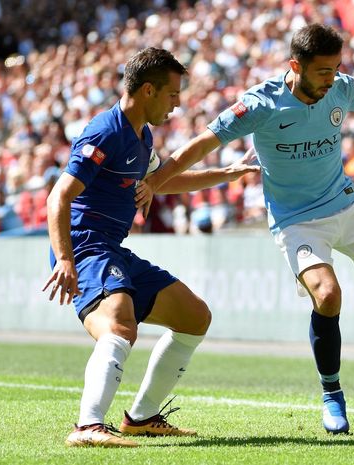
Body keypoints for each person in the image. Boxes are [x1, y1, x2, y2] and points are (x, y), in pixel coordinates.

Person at [138, 24, 354, 435]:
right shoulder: (261, 104)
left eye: (336, 68)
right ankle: (332, 394)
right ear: (296, 65)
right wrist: (155, 182)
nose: (332, 78)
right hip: (297, 222)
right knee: (327, 295)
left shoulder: (341, 89)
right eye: (323, 71)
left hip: (345, 204)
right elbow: (200, 144)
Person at [42, 47, 258, 448]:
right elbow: (58, 198)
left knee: (194, 316)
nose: (177, 104)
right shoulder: (105, 132)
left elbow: (164, 181)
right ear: (147, 91)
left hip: (112, 249)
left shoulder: (141, 136)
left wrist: (228, 174)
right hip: (87, 247)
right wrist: (66, 259)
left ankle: (140, 419)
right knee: (121, 323)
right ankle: (88, 426)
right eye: (172, 95)